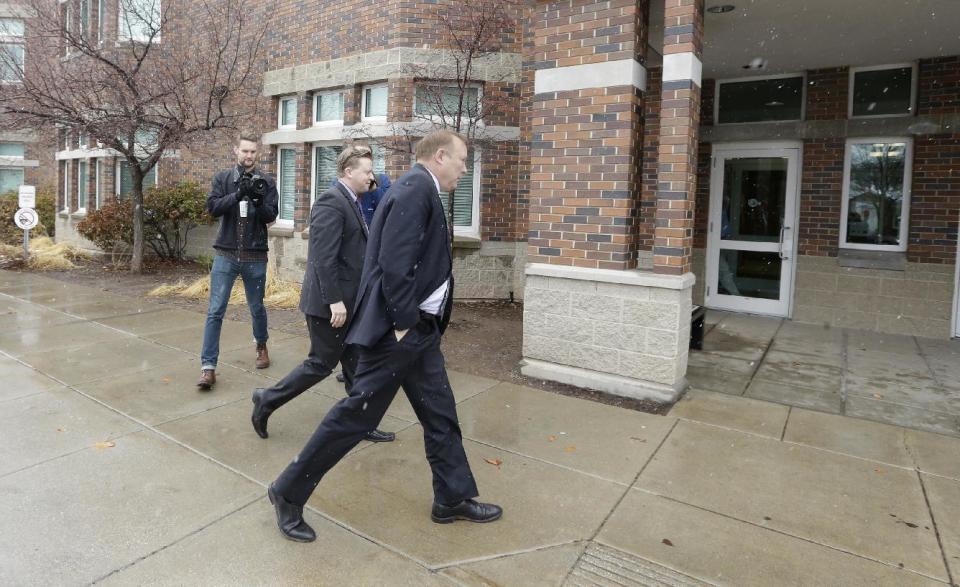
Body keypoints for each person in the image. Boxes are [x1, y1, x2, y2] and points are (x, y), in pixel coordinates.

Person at [266, 130, 501, 543]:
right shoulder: (414, 190)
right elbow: (394, 265)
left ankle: (452, 497)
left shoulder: (420, 188)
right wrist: (404, 322)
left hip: (419, 334)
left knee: (441, 414)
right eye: (463, 160)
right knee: (356, 417)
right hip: (400, 334)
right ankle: (287, 491)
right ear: (441, 156)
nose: (466, 169)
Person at [250, 147, 395, 443]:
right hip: (331, 306)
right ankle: (267, 399)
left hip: (350, 304)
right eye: (367, 171)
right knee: (320, 364)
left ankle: (361, 423)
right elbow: (322, 258)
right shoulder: (332, 202)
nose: (371, 177)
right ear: (348, 172)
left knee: (357, 365)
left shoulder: (352, 201)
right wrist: (335, 301)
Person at [197, 131, 278, 390]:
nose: (249, 155)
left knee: (257, 308)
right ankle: (208, 367)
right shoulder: (223, 179)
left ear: (259, 153)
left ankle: (261, 346)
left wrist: (255, 197)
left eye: (253, 151)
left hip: (255, 256)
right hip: (226, 254)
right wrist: (237, 194)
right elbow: (213, 208)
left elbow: (271, 216)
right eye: (245, 151)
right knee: (215, 310)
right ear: (236, 150)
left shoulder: (266, 181)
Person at [332, 142, 391, 385]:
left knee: (372, 313)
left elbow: (388, 209)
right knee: (355, 318)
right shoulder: (339, 193)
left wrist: (370, 185)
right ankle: (353, 367)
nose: (368, 174)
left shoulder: (381, 182)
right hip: (355, 257)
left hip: (375, 254)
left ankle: (364, 365)